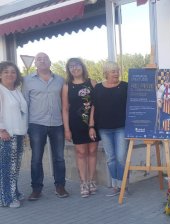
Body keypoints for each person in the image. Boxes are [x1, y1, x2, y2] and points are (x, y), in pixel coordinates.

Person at [23, 52, 68, 200]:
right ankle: (36, 189)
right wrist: (25, 127)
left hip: (57, 123)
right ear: (35, 63)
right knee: (36, 158)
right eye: (39, 59)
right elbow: (25, 104)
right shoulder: (27, 81)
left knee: (59, 157)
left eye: (45, 59)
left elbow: (65, 103)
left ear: (50, 62)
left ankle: (60, 186)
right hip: (36, 124)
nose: (42, 61)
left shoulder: (60, 80)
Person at [89, 61, 128, 197]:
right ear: (106, 73)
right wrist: (91, 126)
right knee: (111, 158)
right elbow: (93, 107)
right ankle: (116, 186)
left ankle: (122, 184)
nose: (116, 73)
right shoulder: (98, 88)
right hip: (104, 129)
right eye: (113, 71)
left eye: (117, 71)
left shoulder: (125, 86)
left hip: (121, 128)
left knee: (121, 157)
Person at [62, 58, 99, 198]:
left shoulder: (92, 83)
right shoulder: (67, 86)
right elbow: (65, 109)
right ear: (69, 69)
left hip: (93, 123)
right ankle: (83, 182)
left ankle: (92, 180)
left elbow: (96, 105)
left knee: (93, 150)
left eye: (77, 65)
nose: (74, 68)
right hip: (76, 124)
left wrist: (92, 124)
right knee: (81, 153)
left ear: (82, 67)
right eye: (71, 66)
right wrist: (67, 129)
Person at [0, 61, 27, 208]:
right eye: (6, 72)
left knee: (15, 167)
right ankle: (7, 198)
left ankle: (14, 192)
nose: (10, 74)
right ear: (0, 75)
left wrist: (24, 132)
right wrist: (1, 130)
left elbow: (22, 113)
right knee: (6, 168)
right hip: (6, 134)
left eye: (13, 72)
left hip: (19, 133)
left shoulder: (16, 91)